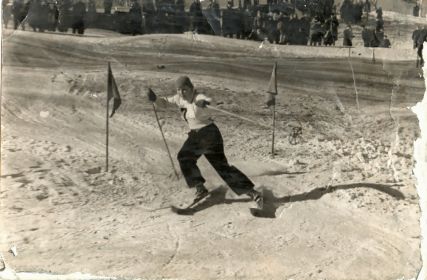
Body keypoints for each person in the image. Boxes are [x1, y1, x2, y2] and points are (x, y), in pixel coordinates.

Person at [146, 76, 263, 208]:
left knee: (187, 157)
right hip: (200, 135)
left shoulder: (198, 97)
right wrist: (155, 99)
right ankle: (250, 192)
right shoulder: (179, 99)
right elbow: (165, 102)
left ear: (191, 88)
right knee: (213, 164)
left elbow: (209, 100)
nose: (181, 93)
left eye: (184, 89)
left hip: (208, 134)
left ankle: (203, 188)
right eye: (179, 90)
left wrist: (204, 102)